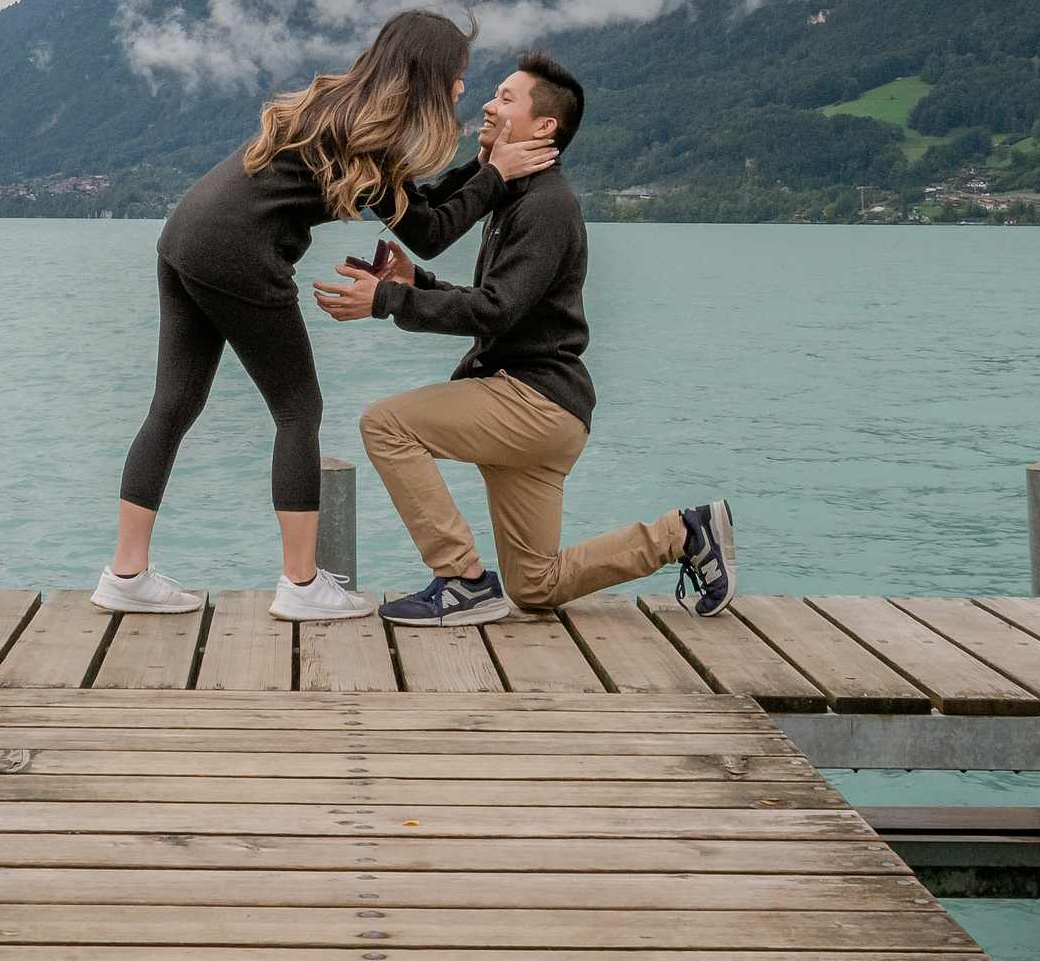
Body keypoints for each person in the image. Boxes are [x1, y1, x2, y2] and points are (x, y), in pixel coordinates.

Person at [94, 10, 559, 622]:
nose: (464, 87)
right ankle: (302, 584)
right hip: (239, 250)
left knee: (173, 405)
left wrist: (485, 168)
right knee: (298, 408)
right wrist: (496, 175)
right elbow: (432, 232)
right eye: (460, 73)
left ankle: (126, 574)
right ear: (429, 72)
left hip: (187, 233)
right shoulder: (375, 134)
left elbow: (417, 203)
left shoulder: (347, 106)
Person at [314, 51, 737, 625]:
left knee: (385, 424)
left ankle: (460, 579)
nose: (489, 104)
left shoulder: (546, 205)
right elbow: (494, 290)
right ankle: (683, 534)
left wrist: (387, 301)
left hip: (531, 398)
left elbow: (495, 310)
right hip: (549, 411)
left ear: (544, 127)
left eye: (506, 98)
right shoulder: (517, 195)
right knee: (536, 585)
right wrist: (420, 280)